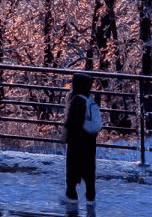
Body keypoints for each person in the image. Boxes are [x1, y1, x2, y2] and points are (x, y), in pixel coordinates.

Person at [64, 72, 98, 206]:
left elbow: (72, 123)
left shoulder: (76, 100)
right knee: (89, 170)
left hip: (76, 142)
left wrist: (66, 135)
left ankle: (71, 195)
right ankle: (91, 197)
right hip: (90, 141)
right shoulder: (90, 100)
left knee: (72, 168)